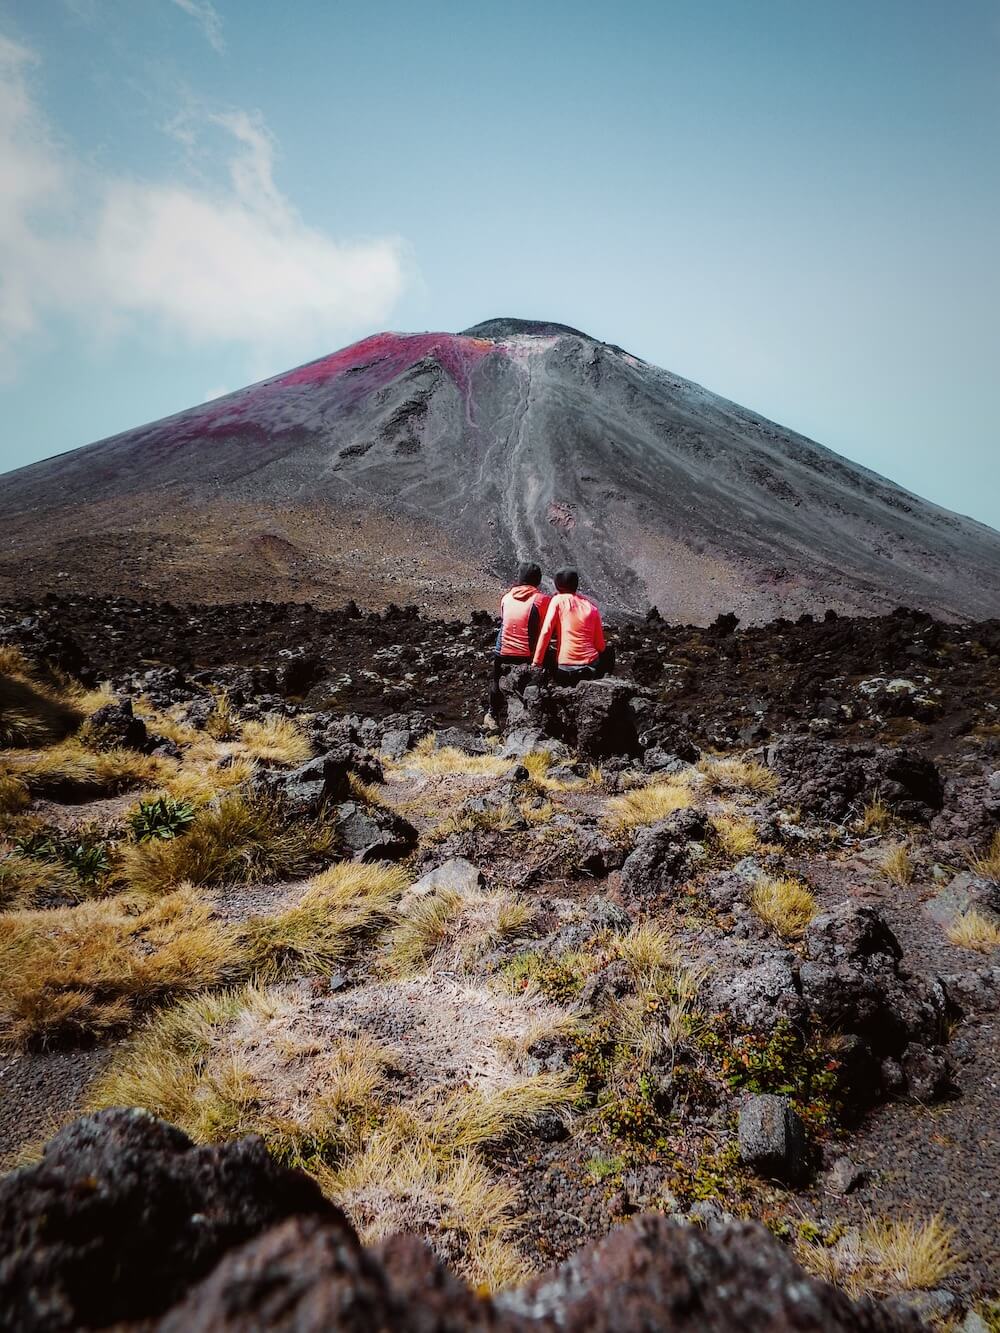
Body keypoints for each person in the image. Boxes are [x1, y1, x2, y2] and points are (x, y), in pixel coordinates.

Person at [484, 562, 551, 728]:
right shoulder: (542, 600)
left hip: (502, 653)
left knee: (496, 679)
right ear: (538, 581)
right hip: (526, 656)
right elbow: (546, 627)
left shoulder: (506, 598)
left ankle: (492, 713)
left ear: (519, 578)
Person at [531, 567, 612, 681]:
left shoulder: (558, 600)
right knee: (609, 652)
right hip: (591, 666)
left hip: (566, 667)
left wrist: (536, 663)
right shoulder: (591, 607)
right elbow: (600, 646)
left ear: (557, 585)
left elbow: (546, 632)